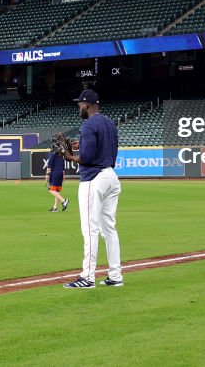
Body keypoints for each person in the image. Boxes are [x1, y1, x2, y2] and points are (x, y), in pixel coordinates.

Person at [61, 89, 122, 288]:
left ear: (87, 105)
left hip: (93, 179)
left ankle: (87, 277)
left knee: (90, 229)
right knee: (109, 230)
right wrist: (83, 143)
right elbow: (106, 148)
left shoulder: (88, 124)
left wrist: (69, 157)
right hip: (111, 177)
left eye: (80, 104)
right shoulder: (110, 123)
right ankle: (115, 276)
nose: (78, 107)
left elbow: (86, 158)